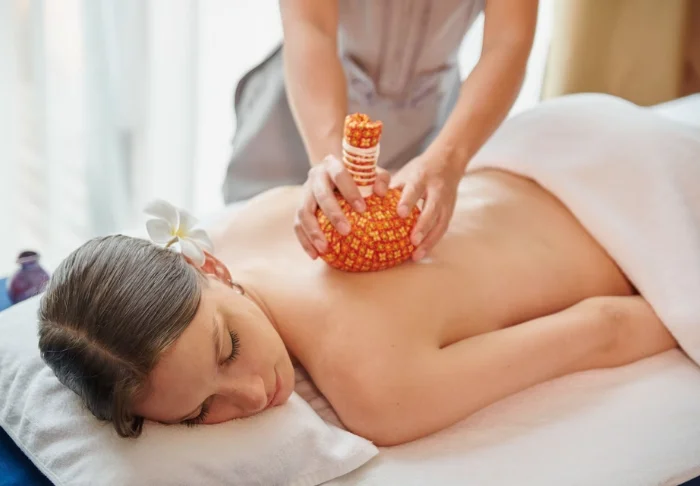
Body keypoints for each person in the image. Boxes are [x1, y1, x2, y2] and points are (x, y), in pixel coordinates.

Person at [37, 97, 680, 447]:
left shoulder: (377, 391)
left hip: (647, 212)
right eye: (200, 411)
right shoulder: (246, 225)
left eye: (227, 347)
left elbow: (606, 327)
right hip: (564, 130)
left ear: (206, 266)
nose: (253, 394)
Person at [223, 0, 538, 262]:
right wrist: (329, 161)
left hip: (432, 128)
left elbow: (507, 42)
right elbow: (311, 26)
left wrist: (448, 157)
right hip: (304, 113)